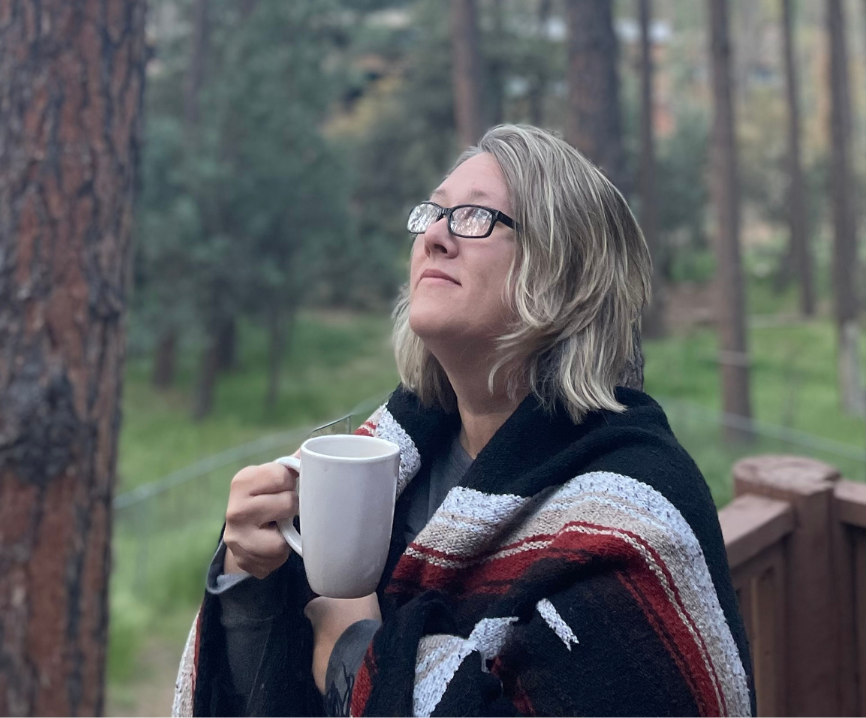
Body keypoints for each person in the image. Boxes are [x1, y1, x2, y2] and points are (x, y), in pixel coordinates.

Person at [174, 124, 754, 717]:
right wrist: (250, 579)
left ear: (568, 272)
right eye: (432, 212)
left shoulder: (635, 514)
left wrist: (356, 655)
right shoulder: (390, 455)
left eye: (475, 217)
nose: (434, 237)